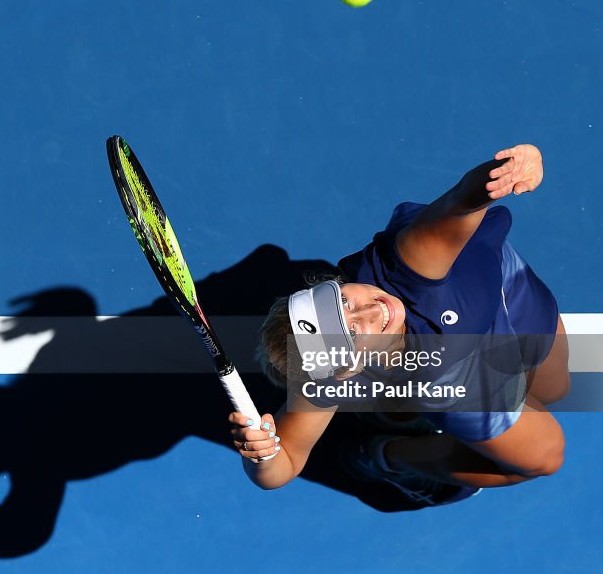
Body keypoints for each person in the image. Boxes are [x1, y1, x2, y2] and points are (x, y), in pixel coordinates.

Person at [229, 144, 570, 506]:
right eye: (355, 333)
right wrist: (261, 457)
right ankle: (385, 456)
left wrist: (507, 169)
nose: (374, 310)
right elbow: (284, 466)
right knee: (545, 456)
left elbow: (462, 199)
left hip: (506, 294)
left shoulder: (413, 262)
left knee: (555, 390)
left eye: (343, 301)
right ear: (346, 371)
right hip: (452, 382)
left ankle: (394, 408)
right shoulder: (323, 376)